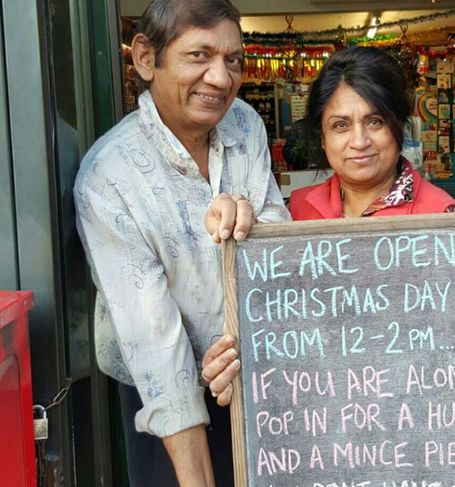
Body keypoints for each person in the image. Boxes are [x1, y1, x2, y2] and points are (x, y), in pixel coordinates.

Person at [74, 1, 289, 486]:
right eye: (199, 55)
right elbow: (156, 349)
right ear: (147, 58)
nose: (220, 78)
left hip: (256, 378)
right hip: (164, 397)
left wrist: (253, 217)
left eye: (233, 60)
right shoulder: (109, 178)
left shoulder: (246, 125)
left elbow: (276, 235)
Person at [200, 47, 455, 402]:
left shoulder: (445, 222)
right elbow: (275, 329)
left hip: (412, 417)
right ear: (322, 139)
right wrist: (233, 361)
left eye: (375, 121)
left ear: (398, 125)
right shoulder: (295, 213)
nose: (359, 141)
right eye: (340, 125)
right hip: (320, 421)